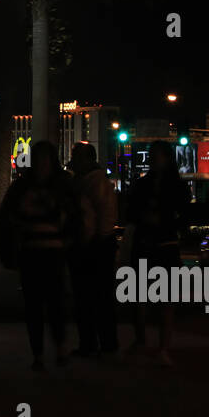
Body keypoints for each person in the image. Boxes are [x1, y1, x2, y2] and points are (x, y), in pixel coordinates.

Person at [0, 139, 76, 370]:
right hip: (33, 252)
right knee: (35, 305)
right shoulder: (31, 188)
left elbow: (74, 217)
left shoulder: (40, 188)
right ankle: (40, 353)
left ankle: (57, 347)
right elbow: (6, 219)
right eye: (39, 160)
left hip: (52, 251)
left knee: (54, 303)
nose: (43, 165)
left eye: (46, 160)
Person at [125, 139, 189, 366]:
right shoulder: (149, 185)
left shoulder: (171, 187)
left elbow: (184, 214)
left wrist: (161, 221)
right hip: (154, 244)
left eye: (155, 155)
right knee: (142, 298)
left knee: (163, 300)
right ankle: (146, 342)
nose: (152, 159)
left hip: (162, 244)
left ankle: (160, 346)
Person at [67, 142, 119, 358]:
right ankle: (103, 342)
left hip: (92, 246)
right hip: (97, 245)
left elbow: (103, 218)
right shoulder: (96, 181)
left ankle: (93, 342)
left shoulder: (90, 183)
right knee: (99, 298)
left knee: (88, 298)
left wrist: (94, 240)